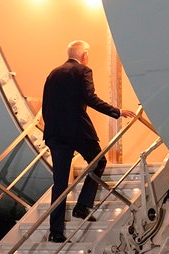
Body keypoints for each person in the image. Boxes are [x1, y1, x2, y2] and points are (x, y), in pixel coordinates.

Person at [42, 40, 136, 243]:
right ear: (84, 55)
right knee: (98, 161)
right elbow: (90, 98)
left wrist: (50, 130)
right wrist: (117, 112)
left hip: (55, 134)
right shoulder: (83, 70)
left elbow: (46, 104)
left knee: (59, 183)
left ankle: (55, 232)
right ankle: (83, 205)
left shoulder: (53, 73)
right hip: (77, 131)